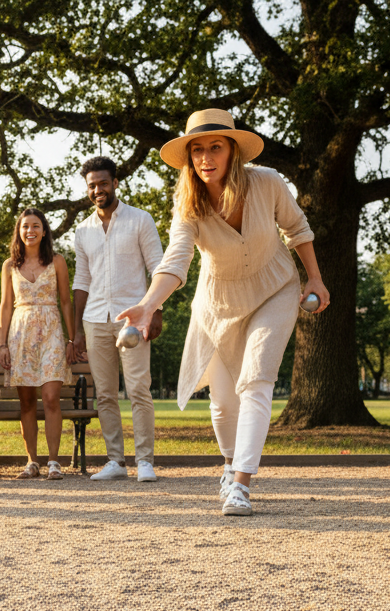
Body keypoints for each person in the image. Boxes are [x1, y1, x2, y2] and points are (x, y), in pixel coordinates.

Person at [117, 108, 330, 516]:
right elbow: (175, 262)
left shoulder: (267, 183)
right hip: (217, 302)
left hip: (275, 290)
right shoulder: (188, 205)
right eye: (197, 149)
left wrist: (315, 280)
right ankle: (229, 464)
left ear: (233, 151)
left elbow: (298, 229)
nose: (205, 157)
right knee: (223, 402)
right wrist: (147, 305)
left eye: (215, 147)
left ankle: (241, 485)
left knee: (257, 379)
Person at [72, 155, 165, 483]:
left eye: (103, 183)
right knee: (107, 394)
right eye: (92, 185)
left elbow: (158, 266)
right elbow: (81, 282)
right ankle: (115, 461)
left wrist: (156, 311)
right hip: (95, 319)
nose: (98, 189)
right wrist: (76, 333)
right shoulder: (82, 231)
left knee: (140, 389)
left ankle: (145, 462)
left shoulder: (140, 220)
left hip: (134, 319)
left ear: (115, 183)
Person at [0, 208, 75, 480]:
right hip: (20, 334)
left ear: (44, 231)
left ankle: (54, 461)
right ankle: (32, 461)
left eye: (35, 226)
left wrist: (71, 338)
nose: (30, 231)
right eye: (25, 226)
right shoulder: (10, 265)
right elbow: (6, 305)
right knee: (27, 402)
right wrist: (3, 344)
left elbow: (66, 301)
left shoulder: (57, 261)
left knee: (51, 398)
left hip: (52, 329)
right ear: (19, 232)